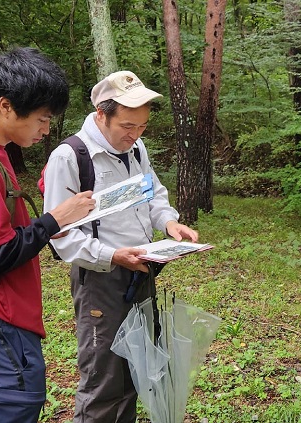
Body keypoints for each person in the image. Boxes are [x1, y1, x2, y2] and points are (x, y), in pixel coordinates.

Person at [0, 47, 95, 423]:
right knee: (13, 405)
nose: (46, 130)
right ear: (6, 106)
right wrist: (53, 220)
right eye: (43, 119)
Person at [42, 70, 198, 423]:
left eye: (142, 127)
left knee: (137, 368)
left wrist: (168, 221)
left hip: (141, 271)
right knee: (105, 378)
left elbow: (152, 193)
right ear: (101, 114)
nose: (135, 135)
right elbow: (60, 233)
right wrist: (112, 255)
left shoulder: (135, 148)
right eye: (127, 125)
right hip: (101, 281)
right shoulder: (70, 157)